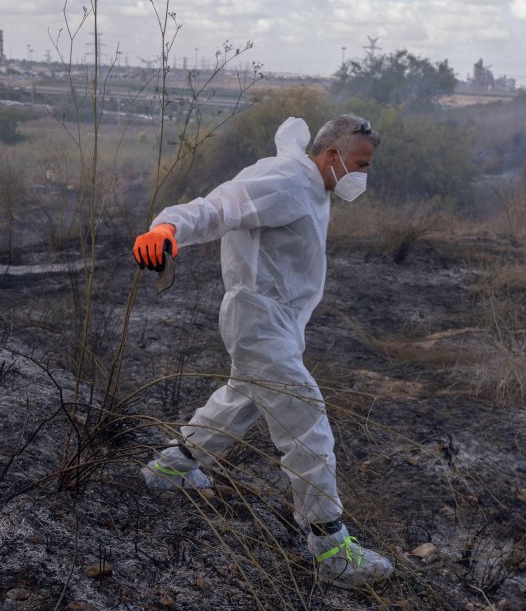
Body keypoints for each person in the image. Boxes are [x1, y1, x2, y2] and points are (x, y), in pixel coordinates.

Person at [132, 114, 393, 590]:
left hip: (278, 324)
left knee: (241, 400)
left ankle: (169, 468)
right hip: (258, 320)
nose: (363, 176)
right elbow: (217, 208)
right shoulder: (285, 179)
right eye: (360, 164)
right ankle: (331, 548)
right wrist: (168, 227)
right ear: (332, 155)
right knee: (306, 421)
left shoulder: (313, 187)